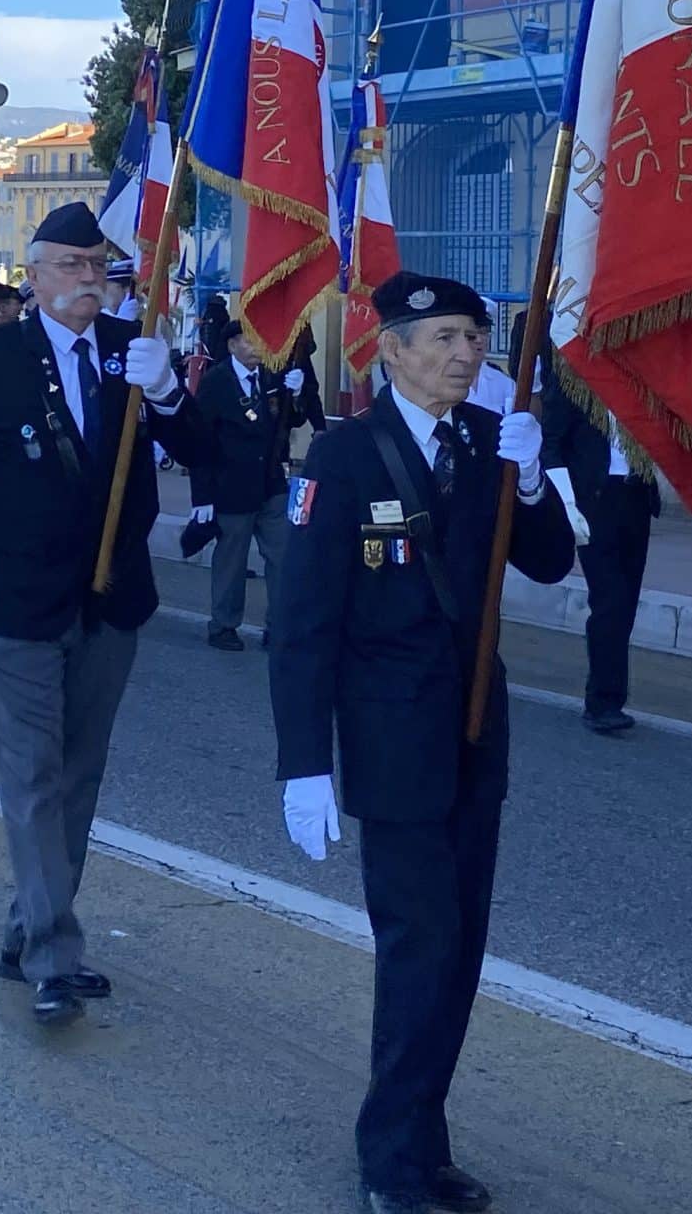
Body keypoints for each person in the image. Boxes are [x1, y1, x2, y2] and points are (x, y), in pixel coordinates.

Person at [268, 274, 567, 1213]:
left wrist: (538, 473)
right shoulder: (347, 455)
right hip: (393, 747)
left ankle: (424, 1143)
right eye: (441, 337)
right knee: (419, 950)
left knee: (460, 950)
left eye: (474, 338)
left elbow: (550, 561)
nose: (464, 354)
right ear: (389, 349)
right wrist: (303, 762)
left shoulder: (487, 444)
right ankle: (389, 1162)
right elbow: (303, 622)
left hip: (477, 737)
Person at [0, 201, 193, 1026]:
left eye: (98, 265)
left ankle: (26, 924)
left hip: (110, 603)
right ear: (33, 277)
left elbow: (213, 457)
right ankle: (55, 958)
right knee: (32, 775)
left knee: (78, 776)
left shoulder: (129, 359)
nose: (88, 279)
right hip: (15, 606)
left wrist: (168, 390)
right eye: (70, 264)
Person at [542, 384, 660, 736]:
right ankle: (603, 702)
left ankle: (609, 695)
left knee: (626, 602)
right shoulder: (573, 384)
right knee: (609, 599)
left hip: (635, 494)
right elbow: (550, 446)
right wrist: (566, 503)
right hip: (593, 500)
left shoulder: (642, 384)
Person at [189, 317, 311, 650]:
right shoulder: (216, 382)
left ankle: (281, 625)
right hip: (231, 486)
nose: (259, 346)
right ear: (232, 345)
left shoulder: (270, 376)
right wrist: (201, 497)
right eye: (250, 339)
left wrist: (297, 394)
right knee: (232, 560)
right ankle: (224, 625)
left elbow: (291, 418)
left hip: (271, 483)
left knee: (284, 556)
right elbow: (199, 440)